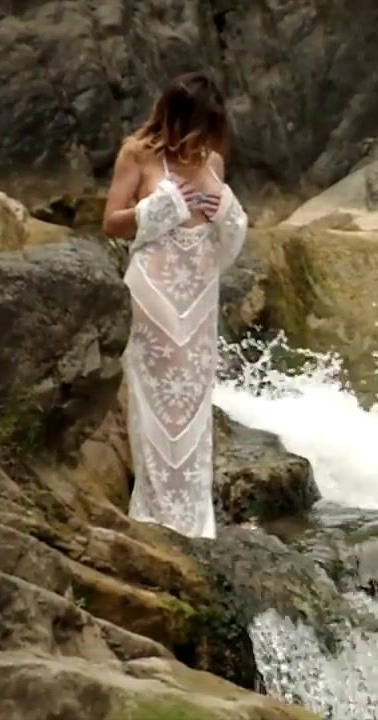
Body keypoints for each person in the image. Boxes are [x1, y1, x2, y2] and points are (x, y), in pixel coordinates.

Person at [102, 71, 248, 539]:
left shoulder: (214, 164)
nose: (202, 139)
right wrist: (159, 210)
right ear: (177, 119)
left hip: (199, 302)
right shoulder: (137, 154)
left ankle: (194, 521)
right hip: (152, 296)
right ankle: (155, 514)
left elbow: (228, 235)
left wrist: (223, 210)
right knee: (157, 405)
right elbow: (111, 223)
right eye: (197, 127)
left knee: (193, 405)